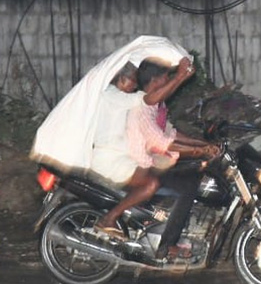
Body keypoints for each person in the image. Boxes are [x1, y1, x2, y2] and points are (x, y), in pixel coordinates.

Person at [90, 58, 196, 239]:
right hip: (110, 160)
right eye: (132, 79)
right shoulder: (113, 96)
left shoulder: (116, 96)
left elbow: (165, 124)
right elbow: (148, 100)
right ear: (121, 78)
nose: (135, 85)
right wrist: (179, 76)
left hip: (120, 157)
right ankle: (109, 218)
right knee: (151, 184)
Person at [127, 59, 220, 259]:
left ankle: (185, 226)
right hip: (142, 169)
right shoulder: (141, 108)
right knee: (187, 187)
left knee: (196, 173)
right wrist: (201, 151)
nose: (168, 81)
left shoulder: (156, 106)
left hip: (154, 164)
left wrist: (202, 144)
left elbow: (172, 133)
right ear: (154, 81)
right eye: (165, 77)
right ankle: (167, 245)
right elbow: (163, 143)